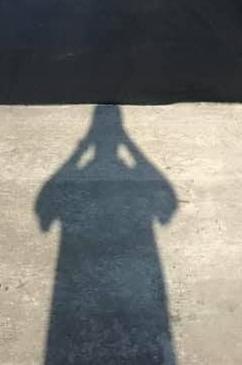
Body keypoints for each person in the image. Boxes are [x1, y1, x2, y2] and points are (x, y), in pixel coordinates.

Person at [35, 106, 178, 364]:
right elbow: (167, 207)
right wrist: (129, 145)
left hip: (78, 274)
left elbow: (44, 212)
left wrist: (79, 151)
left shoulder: (81, 176)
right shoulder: (131, 176)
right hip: (134, 271)